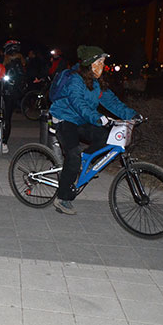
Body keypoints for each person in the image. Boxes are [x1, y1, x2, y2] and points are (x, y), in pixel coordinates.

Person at [49, 45, 140, 215]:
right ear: (90, 64)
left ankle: (84, 160)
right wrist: (97, 117)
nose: (102, 66)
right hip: (65, 119)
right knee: (73, 154)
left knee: (107, 137)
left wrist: (133, 115)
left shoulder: (96, 83)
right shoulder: (75, 80)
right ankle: (62, 198)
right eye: (99, 62)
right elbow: (78, 103)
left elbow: (112, 102)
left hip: (82, 120)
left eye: (103, 62)